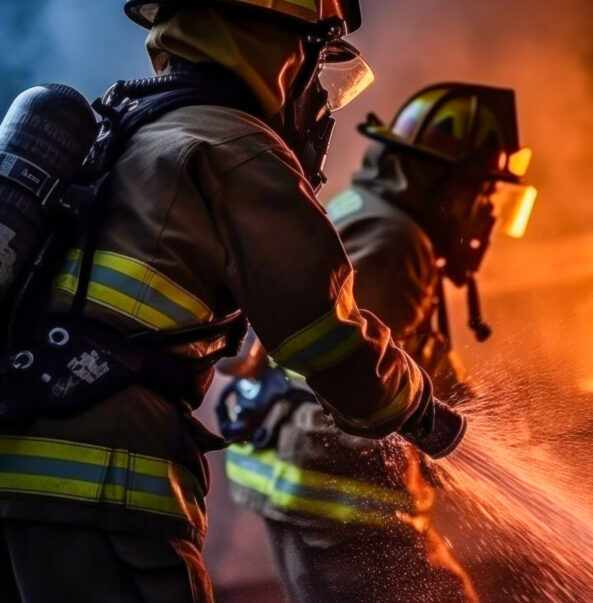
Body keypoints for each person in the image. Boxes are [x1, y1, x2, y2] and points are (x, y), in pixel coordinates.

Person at [0, 0, 453, 601]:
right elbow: (319, 334)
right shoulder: (237, 148)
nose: (318, 100)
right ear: (283, 57)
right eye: (315, 67)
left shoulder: (109, 127)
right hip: (95, 489)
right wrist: (413, 402)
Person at [221, 83, 537, 602]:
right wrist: (440, 434)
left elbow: (399, 347)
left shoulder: (371, 211)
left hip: (298, 482)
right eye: (482, 190)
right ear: (440, 181)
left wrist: (480, 418)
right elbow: (359, 375)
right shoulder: (395, 242)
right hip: (340, 501)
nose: (486, 211)